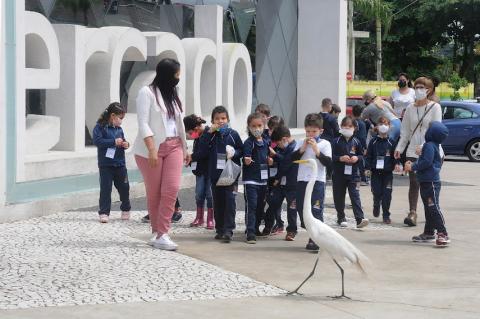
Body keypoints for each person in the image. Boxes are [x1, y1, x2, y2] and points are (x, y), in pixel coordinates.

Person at [133, 58, 189, 251]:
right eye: (176, 74)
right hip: (152, 149)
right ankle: (157, 233)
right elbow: (143, 123)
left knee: (171, 189)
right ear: (166, 74)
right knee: (155, 192)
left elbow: (178, 124)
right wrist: (151, 149)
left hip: (174, 146)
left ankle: (163, 232)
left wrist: (186, 148)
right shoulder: (146, 92)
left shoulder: (174, 94)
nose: (178, 78)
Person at [394, 77, 443, 227]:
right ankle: (412, 212)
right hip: (412, 152)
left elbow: (436, 131)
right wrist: (399, 148)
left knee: (429, 184)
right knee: (414, 183)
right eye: (416, 87)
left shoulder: (435, 107)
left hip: (431, 152)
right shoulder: (409, 108)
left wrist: (424, 146)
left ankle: (433, 213)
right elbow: (405, 132)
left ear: (428, 90)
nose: (418, 90)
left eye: (422, 87)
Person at [198, 106, 243, 243]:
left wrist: (235, 153)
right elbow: (202, 151)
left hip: (230, 173)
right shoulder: (210, 135)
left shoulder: (233, 134)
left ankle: (228, 230)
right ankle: (220, 229)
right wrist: (207, 133)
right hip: (215, 174)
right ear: (212, 121)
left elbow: (241, 149)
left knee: (229, 201)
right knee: (218, 202)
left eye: (223, 118)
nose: (220, 121)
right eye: (217, 119)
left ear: (228, 119)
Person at [404, 122, 450, 246]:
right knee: (429, 208)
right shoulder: (432, 145)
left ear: (433, 133)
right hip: (426, 181)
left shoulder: (429, 145)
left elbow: (426, 162)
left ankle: (443, 233)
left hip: (430, 183)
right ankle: (429, 232)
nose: (426, 131)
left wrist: (412, 166)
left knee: (433, 208)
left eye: (429, 129)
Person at [292, 113, 332, 251]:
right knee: (301, 208)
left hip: (317, 182)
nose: (311, 134)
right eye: (308, 131)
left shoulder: (325, 144)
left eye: (314, 131)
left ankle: (315, 240)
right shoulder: (300, 142)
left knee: (316, 210)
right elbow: (292, 159)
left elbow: (328, 162)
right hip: (302, 180)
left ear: (321, 131)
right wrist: (303, 148)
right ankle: (309, 228)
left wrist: (317, 151)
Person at [92, 102, 131, 223]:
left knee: (124, 187)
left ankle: (126, 208)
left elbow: (124, 141)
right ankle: (104, 212)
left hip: (120, 164)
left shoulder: (119, 129)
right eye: (120, 118)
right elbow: (98, 141)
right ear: (112, 115)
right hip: (106, 165)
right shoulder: (99, 127)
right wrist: (113, 142)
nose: (121, 121)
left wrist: (126, 144)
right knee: (106, 188)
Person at [332, 116, 369, 229]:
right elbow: (330, 157)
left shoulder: (357, 141)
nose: (347, 128)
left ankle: (359, 219)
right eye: (344, 126)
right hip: (338, 173)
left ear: (354, 128)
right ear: (341, 127)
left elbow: (362, 156)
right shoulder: (335, 141)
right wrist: (340, 158)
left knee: (355, 195)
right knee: (339, 196)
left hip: (353, 173)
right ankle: (341, 217)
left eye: (350, 126)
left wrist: (357, 158)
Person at [365, 117, 400, 224]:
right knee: (377, 192)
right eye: (381, 124)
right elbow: (368, 156)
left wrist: (397, 164)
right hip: (375, 172)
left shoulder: (392, 142)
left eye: (385, 124)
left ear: (389, 126)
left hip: (387, 173)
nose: (383, 126)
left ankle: (386, 215)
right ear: (377, 126)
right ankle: (376, 204)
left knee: (387, 194)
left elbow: (396, 156)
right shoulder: (373, 141)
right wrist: (367, 168)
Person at [267, 126, 298, 242]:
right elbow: (282, 161)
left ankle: (292, 230)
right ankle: (274, 224)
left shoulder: (294, 147)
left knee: (292, 208)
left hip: (291, 182)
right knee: (273, 201)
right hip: (281, 183)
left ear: (284, 139)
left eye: (278, 143)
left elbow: (286, 163)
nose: (278, 146)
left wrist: (277, 178)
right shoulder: (283, 148)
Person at [242, 113, 269, 244]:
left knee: (260, 206)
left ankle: (256, 227)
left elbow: (267, 157)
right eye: (254, 126)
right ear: (249, 127)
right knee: (251, 205)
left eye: (259, 125)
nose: (257, 128)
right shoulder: (248, 142)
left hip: (263, 181)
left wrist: (270, 160)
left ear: (264, 126)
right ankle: (250, 231)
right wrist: (246, 160)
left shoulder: (265, 142)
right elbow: (245, 157)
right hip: (251, 180)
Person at [184, 114, 214, 229]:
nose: (191, 135)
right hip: (200, 171)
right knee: (199, 194)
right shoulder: (198, 137)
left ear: (196, 128)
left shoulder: (208, 133)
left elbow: (204, 152)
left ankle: (211, 219)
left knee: (210, 194)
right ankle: (199, 217)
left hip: (210, 170)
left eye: (190, 132)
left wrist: (192, 157)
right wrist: (191, 161)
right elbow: (197, 153)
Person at [263, 115, 286, 235]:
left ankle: (278, 223)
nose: (272, 132)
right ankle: (269, 224)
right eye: (271, 129)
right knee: (267, 200)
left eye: (275, 129)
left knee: (275, 201)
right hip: (267, 175)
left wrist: (275, 159)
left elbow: (286, 160)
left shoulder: (283, 144)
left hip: (278, 178)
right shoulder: (266, 140)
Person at [352, 104, 368, 186]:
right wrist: (365, 147)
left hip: (351, 144)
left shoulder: (352, 122)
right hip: (359, 145)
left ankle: (354, 177)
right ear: (361, 113)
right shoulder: (362, 123)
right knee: (361, 161)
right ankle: (363, 179)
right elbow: (362, 137)